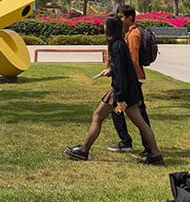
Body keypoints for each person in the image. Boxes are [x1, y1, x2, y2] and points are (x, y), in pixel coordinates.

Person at [64, 14, 164, 165]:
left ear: (109, 28)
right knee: (138, 122)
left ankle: (84, 151)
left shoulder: (117, 46)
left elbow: (122, 75)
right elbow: (121, 70)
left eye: (105, 25)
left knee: (99, 117)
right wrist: (110, 71)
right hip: (125, 91)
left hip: (122, 93)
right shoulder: (119, 44)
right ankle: (155, 154)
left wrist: (120, 98)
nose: (103, 27)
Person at [105, 4, 153, 157]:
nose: (119, 20)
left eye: (121, 17)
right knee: (136, 116)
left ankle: (137, 145)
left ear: (130, 18)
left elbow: (131, 61)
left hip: (133, 81)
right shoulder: (130, 33)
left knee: (135, 115)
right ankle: (141, 145)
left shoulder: (133, 35)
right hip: (131, 81)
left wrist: (121, 81)